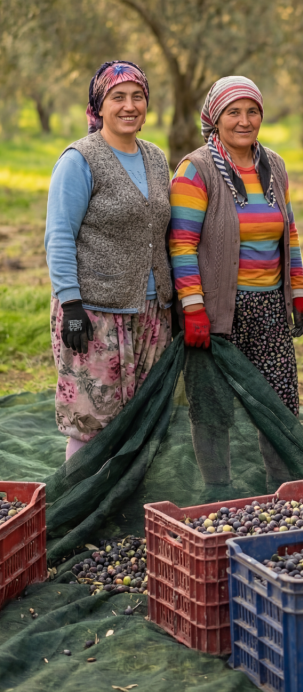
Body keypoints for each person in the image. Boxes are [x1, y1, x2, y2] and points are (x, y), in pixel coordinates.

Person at [169, 76, 303, 485]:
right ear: (215, 118)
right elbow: (181, 244)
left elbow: (290, 233)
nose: (244, 121)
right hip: (217, 312)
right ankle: (219, 492)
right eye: (234, 112)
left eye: (252, 111)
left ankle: (281, 490)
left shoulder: (274, 166)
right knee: (213, 410)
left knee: (279, 406)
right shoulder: (196, 170)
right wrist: (193, 308)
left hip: (268, 308)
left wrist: (297, 292)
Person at [45, 61, 173, 460]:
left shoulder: (155, 157)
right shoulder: (79, 159)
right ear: (99, 105)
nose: (129, 106)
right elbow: (59, 235)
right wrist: (71, 304)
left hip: (152, 311)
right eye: (118, 97)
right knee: (91, 421)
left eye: (138, 97)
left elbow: (161, 232)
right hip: (94, 312)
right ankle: (83, 510)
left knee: (140, 418)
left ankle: (124, 508)